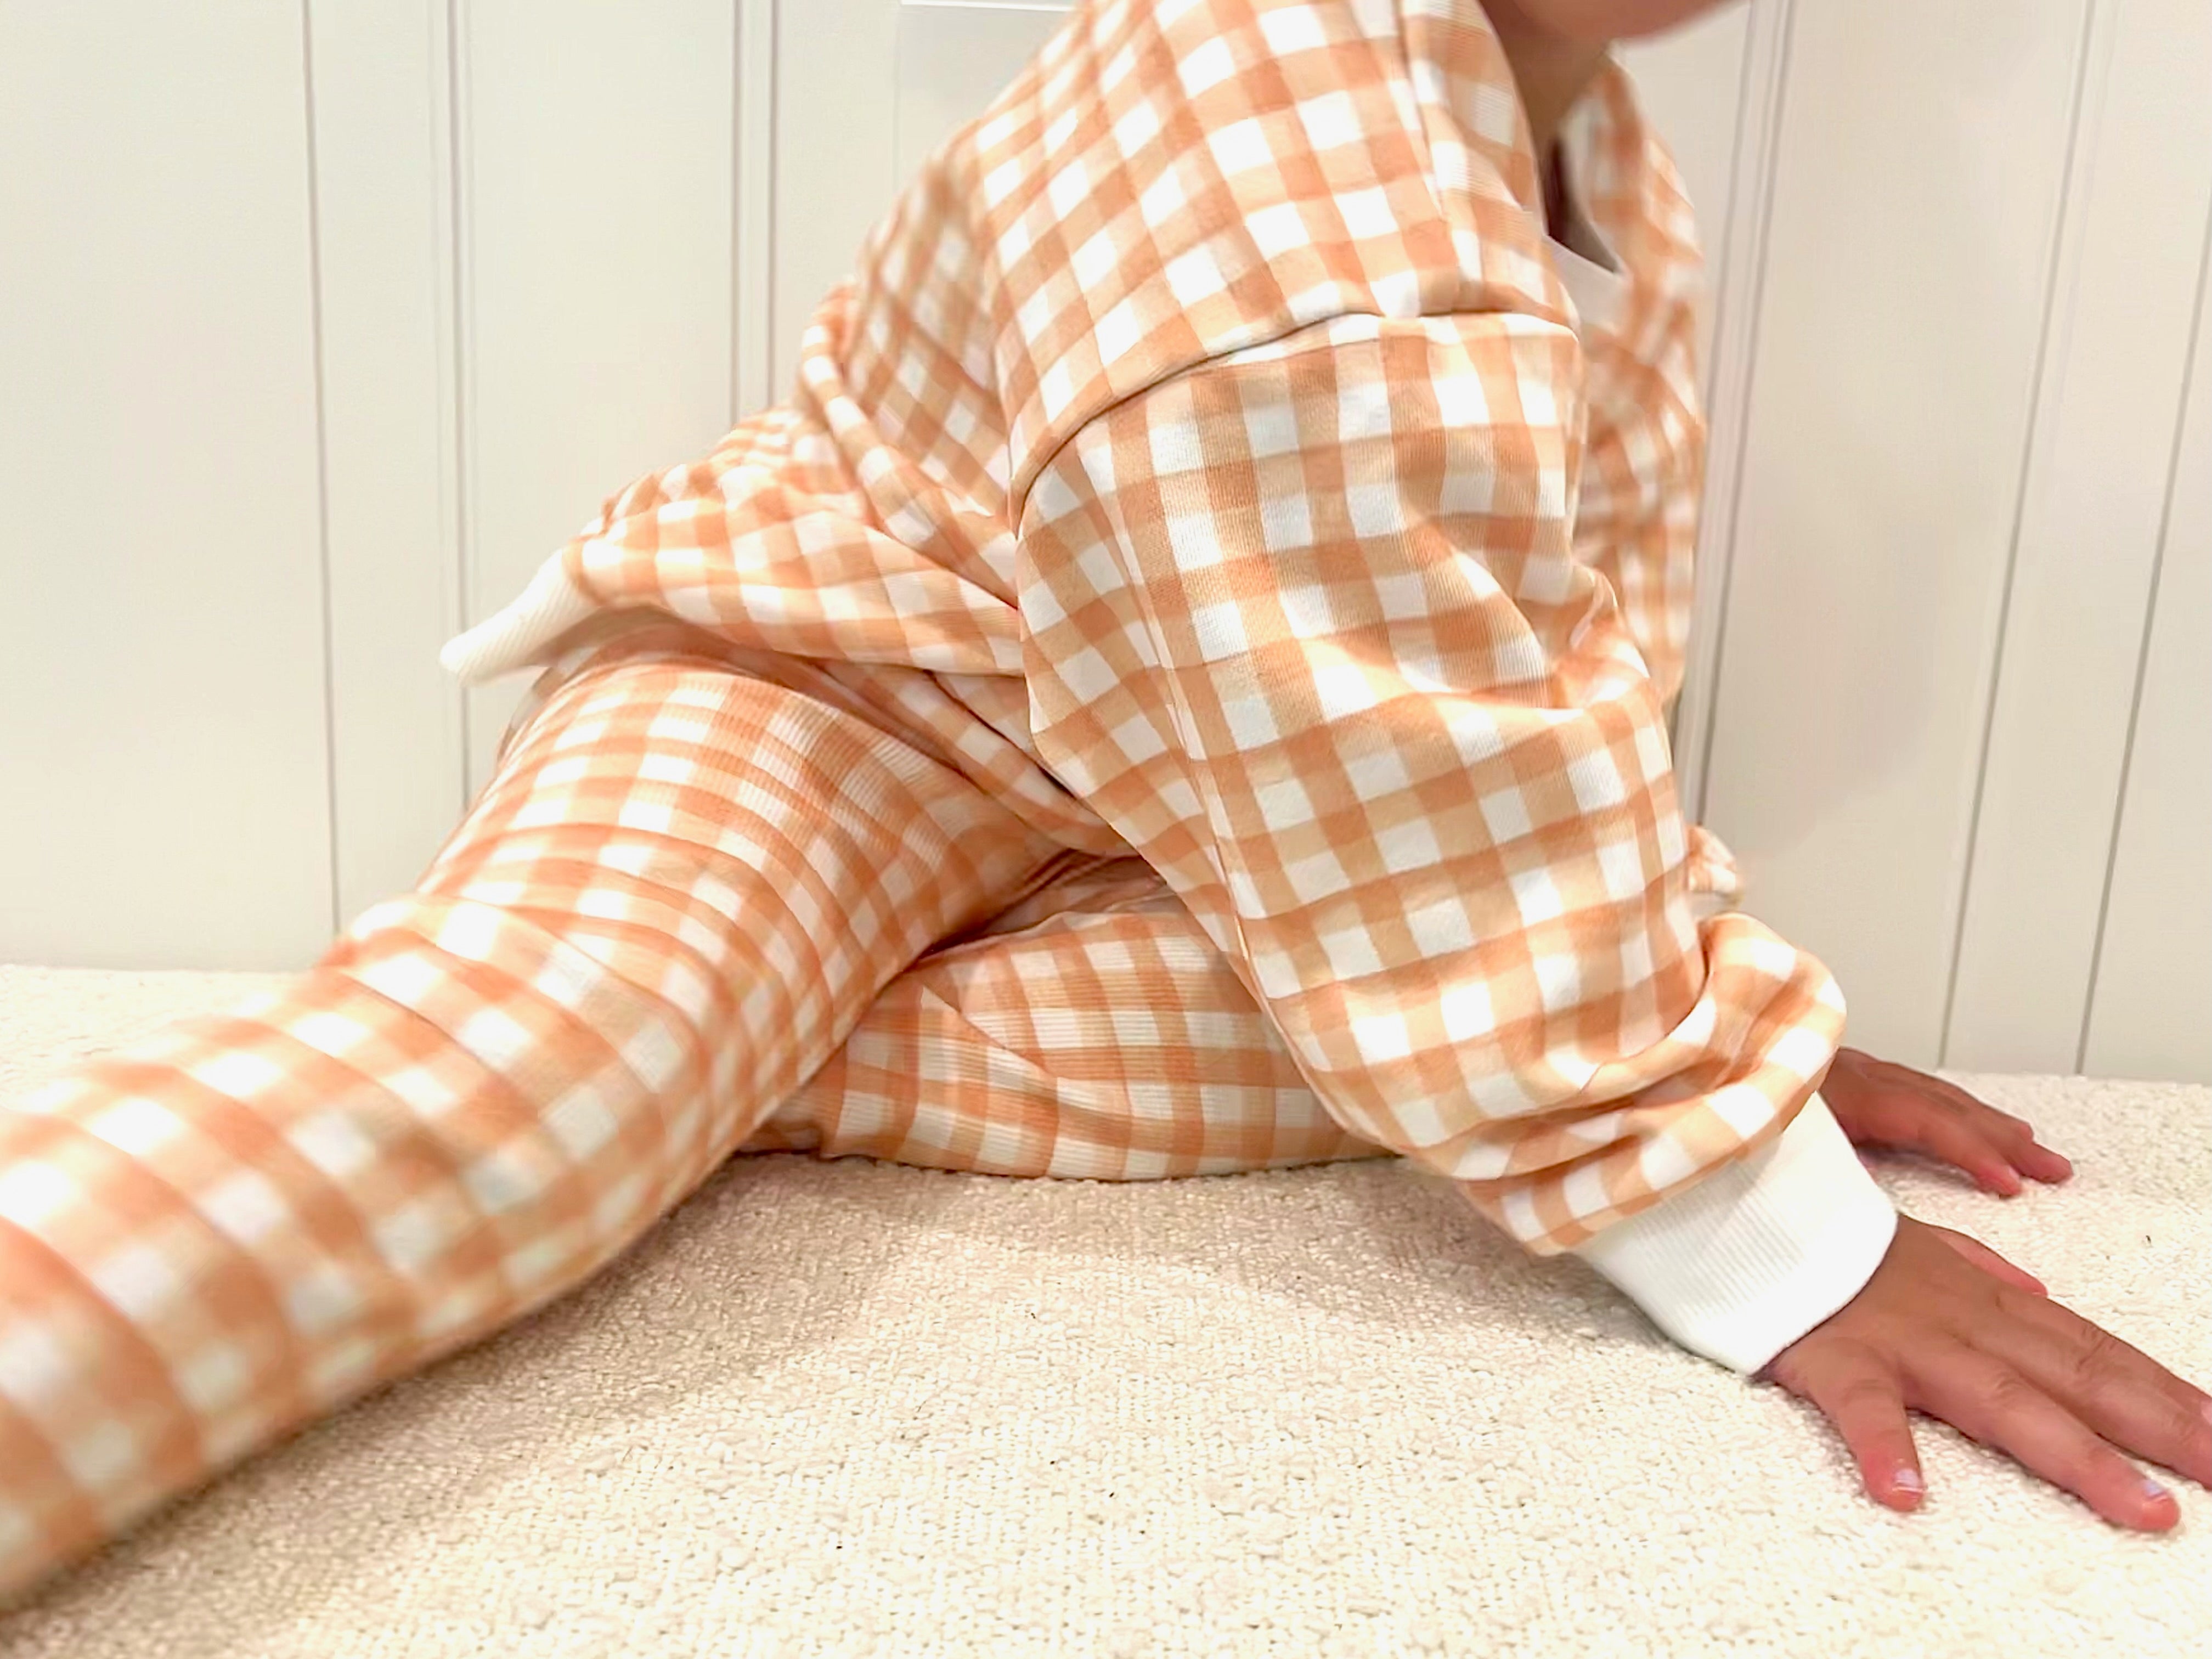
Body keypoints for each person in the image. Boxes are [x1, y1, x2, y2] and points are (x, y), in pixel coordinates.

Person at [2, 0, 2204, 1600]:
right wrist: (1756, 1211)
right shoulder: (1278, 184)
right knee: (535, 1075)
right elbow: (1427, 801)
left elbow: (1500, 726)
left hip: (1199, 802)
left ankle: (762, 1060)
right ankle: (655, 1052)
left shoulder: (1582, 138)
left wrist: (1717, 1032)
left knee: (1417, 1046)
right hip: (845, 686)